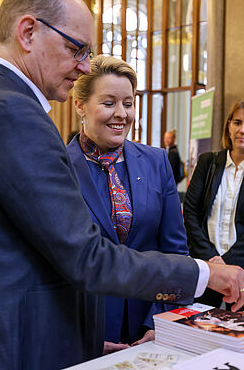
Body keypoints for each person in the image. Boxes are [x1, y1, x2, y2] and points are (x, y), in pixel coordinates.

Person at [0, 0, 244, 369]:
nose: (83, 66)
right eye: (76, 49)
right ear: (28, 32)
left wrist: (81, 341)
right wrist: (205, 273)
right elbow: (88, 258)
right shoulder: (14, 112)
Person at [66, 56, 188, 354]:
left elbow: (175, 252)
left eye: (129, 103)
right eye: (109, 103)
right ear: (80, 105)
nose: (121, 114)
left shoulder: (157, 162)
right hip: (83, 331)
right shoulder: (58, 167)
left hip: (149, 329)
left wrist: (160, 321)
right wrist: (82, 337)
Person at [184, 99, 244, 311]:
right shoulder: (208, 162)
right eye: (237, 122)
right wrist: (212, 259)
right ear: (228, 126)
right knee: (200, 324)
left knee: (242, 328)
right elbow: (190, 212)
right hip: (209, 265)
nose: (242, 130)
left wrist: (228, 262)